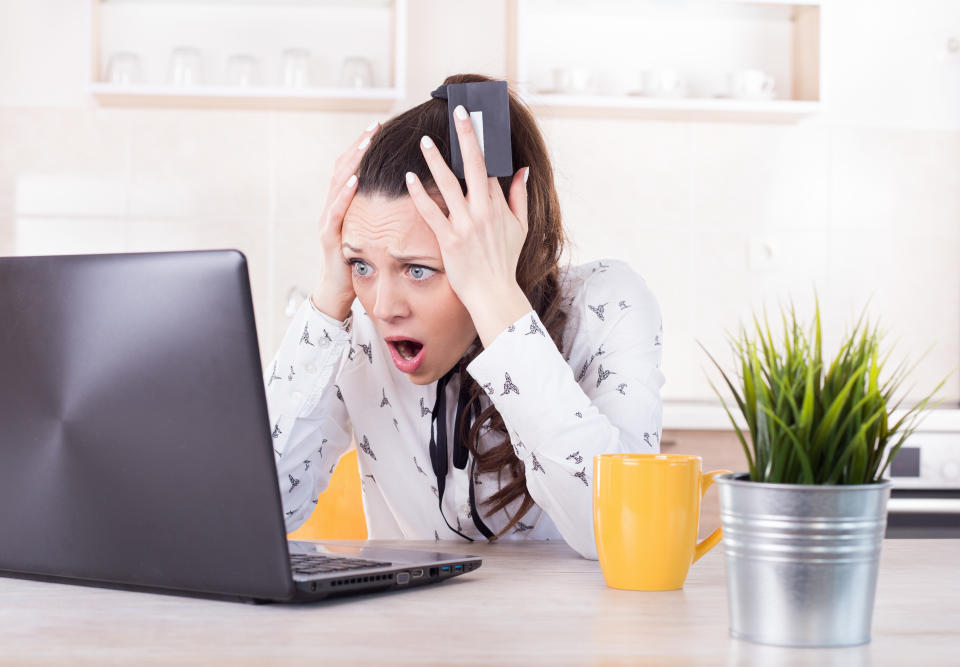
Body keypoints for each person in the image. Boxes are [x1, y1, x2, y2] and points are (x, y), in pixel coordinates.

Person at [265, 73, 664, 560]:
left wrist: (497, 298)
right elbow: (260, 511)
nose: (384, 306)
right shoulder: (357, 327)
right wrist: (330, 295)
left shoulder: (606, 306)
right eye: (361, 264)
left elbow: (620, 535)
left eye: (418, 269)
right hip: (406, 631)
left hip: (577, 635)